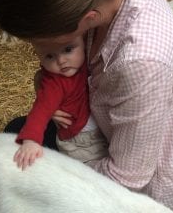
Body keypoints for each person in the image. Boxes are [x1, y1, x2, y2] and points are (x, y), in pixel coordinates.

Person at [0, 0, 173, 212]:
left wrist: (57, 178)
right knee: (16, 133)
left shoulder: (141, 61)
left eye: (38, 39)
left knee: (30, 178)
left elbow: (127, 178)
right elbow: (58, 75)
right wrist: (45, 87)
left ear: (85, 21)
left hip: (147, 193)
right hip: (105, 133)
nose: (34, 45)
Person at [14, 34, 108, 170]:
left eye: (68, 50)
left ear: (84, 42)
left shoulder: (83, 62)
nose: (61, 60)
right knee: (84, 172)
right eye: (50, 56)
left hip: (95, 130)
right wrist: (31, 140)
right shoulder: (54, 84)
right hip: (81, 140)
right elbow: (40, 111)